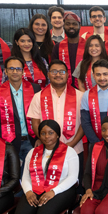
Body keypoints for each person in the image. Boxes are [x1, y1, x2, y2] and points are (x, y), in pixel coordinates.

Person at [14, 120, 79, 214]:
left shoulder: (69, 152)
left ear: (57, 134)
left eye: (51, 132)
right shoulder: (32, 152)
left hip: (63, 191)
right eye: (43, 133)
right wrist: (28, 191)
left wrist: (53, 192)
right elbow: (25, 177)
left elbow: (72, 178)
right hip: (35, 190)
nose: (46, 136)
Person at [27, 60, 85, 191]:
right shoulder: (39, 97)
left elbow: (84, 124)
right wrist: (45, 141)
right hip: (47, 150)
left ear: (67, 75)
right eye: (54, 71)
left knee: (74, 185)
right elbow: (35, 122)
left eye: (62, 71)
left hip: (74, 148)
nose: (58, 74)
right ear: (48, 74)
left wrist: (72, 144)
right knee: (47, 185)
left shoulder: (80, 96)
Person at [0, 56, 41, 163]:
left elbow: (41, 116)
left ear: (23, 72)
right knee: (13, 175)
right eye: (11, 69)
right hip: (9, 141)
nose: (15, 71)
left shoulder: (35, 89)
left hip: (31, 140)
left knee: (32, 174)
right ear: (6, 72)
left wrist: (40, 138)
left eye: (18, 69)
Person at [51, 11, 85, 88]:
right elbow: (53, 69)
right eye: (67, 24)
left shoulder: (88, 46)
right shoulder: (57, 47)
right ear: (63, 25)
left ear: (79, 25)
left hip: (84, 87)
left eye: (74, 24)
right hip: (63, 87)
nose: (71, 26)